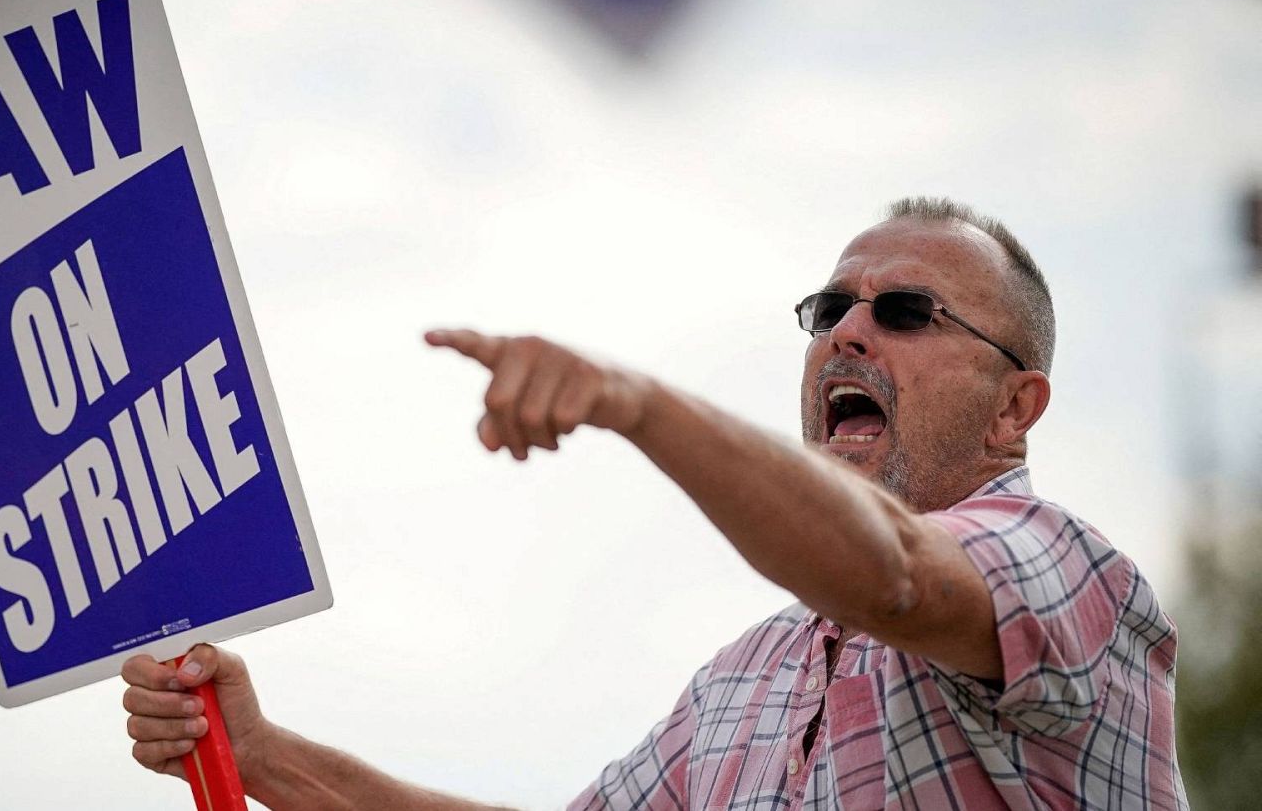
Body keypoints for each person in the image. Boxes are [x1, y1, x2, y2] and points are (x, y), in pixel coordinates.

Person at [119, 197, 1186, 809]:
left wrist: (634, 400)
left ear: (1015, 408)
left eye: (906, 311)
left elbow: (896, 576)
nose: (847, 335)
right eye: (828, 309)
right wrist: (260, 755)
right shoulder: (743, 680)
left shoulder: (1070, 574)